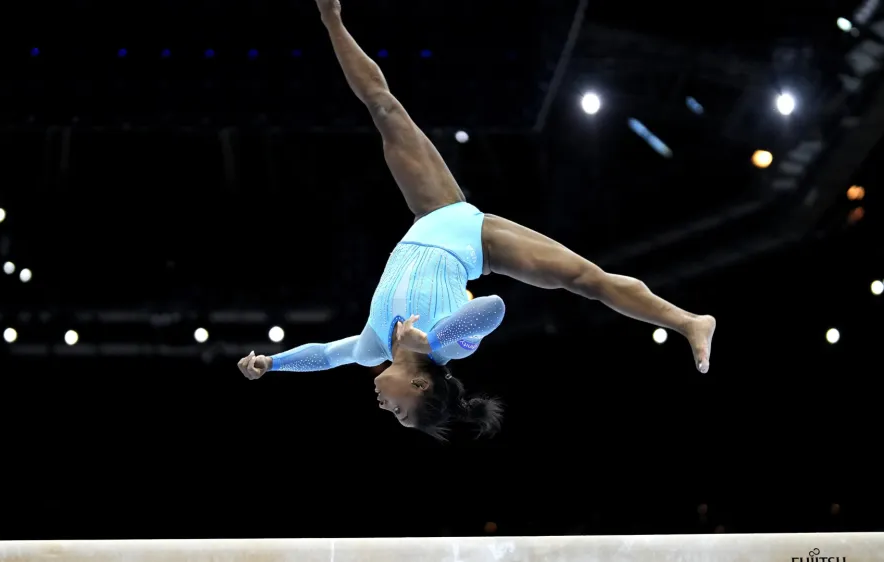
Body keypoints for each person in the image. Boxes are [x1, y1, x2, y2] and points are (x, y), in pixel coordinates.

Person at [237, 0, 717, 440]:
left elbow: (324, 355)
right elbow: (492, 307)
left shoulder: (371, 347)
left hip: (433, 215)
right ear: (422, 385)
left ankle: (329, 16)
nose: (385, 407)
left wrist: (272, 363)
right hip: (475, 241)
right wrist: (432, 339)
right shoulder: (454, 348)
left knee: (385, 110)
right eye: (401, 412)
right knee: (586, 279)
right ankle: (689, 321)